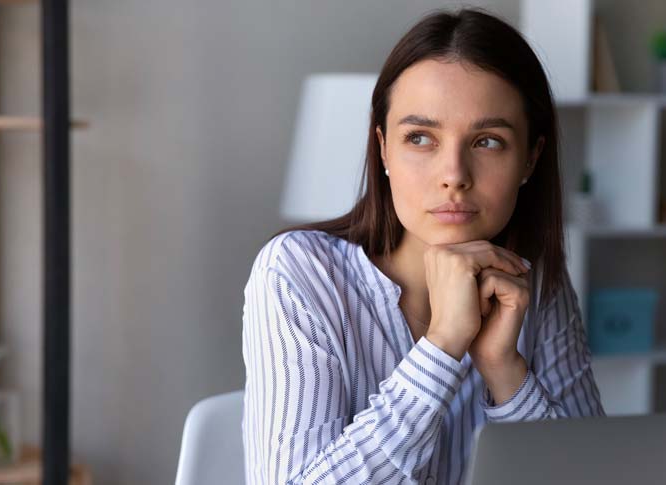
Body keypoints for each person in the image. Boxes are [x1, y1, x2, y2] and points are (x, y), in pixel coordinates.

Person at [242, 7, 604, 484]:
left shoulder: (536, 287)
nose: (454, 175)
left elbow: (591, 475)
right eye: (420, 137)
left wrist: (505, 370)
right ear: (384, 148)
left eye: (488, 142)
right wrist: (441, 346)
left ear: (530, 160)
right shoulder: (298, 273)